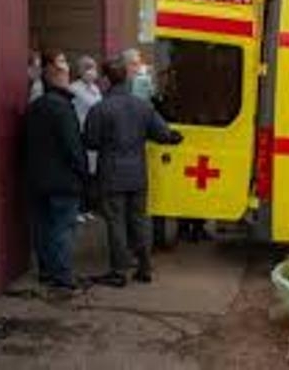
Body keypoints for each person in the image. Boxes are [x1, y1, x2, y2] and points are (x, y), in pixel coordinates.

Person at [84, 58, 182, 287]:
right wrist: (176, 137)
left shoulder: (100, 109)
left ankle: (119, 272)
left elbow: (90, 142)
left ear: (106, 80)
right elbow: (164, 134)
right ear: (127, 78)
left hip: (111, 175)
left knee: (116, 223)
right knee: (140, 221)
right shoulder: (143, 107)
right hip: (138, 174)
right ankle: (145, 268)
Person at [25, 48, 87, 295]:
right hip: (63, 180)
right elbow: (73, 146)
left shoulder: (34, 107)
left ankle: (47, 271)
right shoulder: (63, 108)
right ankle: (63, 277)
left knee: (43, 227)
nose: (67, 73)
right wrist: (83, 173)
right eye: (64, 70)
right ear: (55, 76)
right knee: (63, 228)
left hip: (37, 179)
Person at [69, 55, 102, 221]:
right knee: (80, 172)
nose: (91, 71)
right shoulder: (74, 88)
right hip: (80, 134)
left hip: (93, 134)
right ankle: (77, 209)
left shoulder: (95, 88)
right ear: (80, 70)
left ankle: (87, 207)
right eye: (87, 67)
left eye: (93, 67)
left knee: (91, 173)